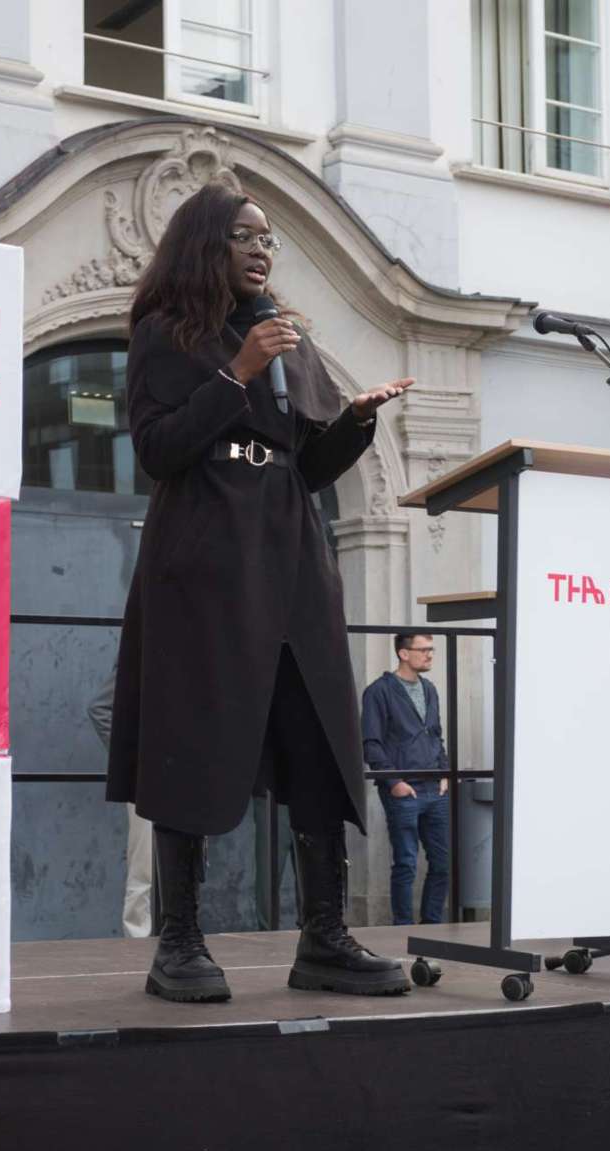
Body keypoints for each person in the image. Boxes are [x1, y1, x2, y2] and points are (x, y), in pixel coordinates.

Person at [105, 179, 417, 1002]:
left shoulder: (286, 340)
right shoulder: (164, 335)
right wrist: (238, 374)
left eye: (270, 238)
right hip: (205, 557)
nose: (262, 249)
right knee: (193, 742)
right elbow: (160, 450)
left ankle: (323, 939)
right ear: (205, 243)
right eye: (245, 235)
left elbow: (303, 465)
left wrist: (353, 423)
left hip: (290, 552)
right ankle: (179, 945)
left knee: (318, 736)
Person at [362, 632, 452, 926]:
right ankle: (402, 928)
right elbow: (371, 743)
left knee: (442, 863)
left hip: (434, 789)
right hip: (404, 790)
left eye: (431, 650)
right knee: (406, 863)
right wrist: (395, 783)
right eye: (423, 650)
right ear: (403, 653)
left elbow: (436, 734)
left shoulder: (430, 690)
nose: (429, 655)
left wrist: (443, 772)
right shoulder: (379, 691)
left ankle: (432, 925)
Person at [88, 667, 152, 938]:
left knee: (182, 867)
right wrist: (131, 761)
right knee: (143, 869)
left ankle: (179, 939)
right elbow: (99, 708)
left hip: (181, 776)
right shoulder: (141, 646)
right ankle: (137, 945)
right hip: (146, 781)